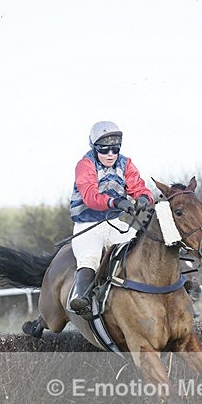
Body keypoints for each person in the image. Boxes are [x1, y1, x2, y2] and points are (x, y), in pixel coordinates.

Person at [69, 120, 154, 316]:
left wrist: (143, 198)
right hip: (87, 224)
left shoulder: (126, 163)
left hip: (114, 224)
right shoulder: (85, 165)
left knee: (141, 247)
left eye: (114, 150)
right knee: (89, 257)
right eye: (105, 150)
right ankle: (83, 300)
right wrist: (115, 203)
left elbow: (139, 186)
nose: (110, 155)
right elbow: (90, 196)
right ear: (95, 148)